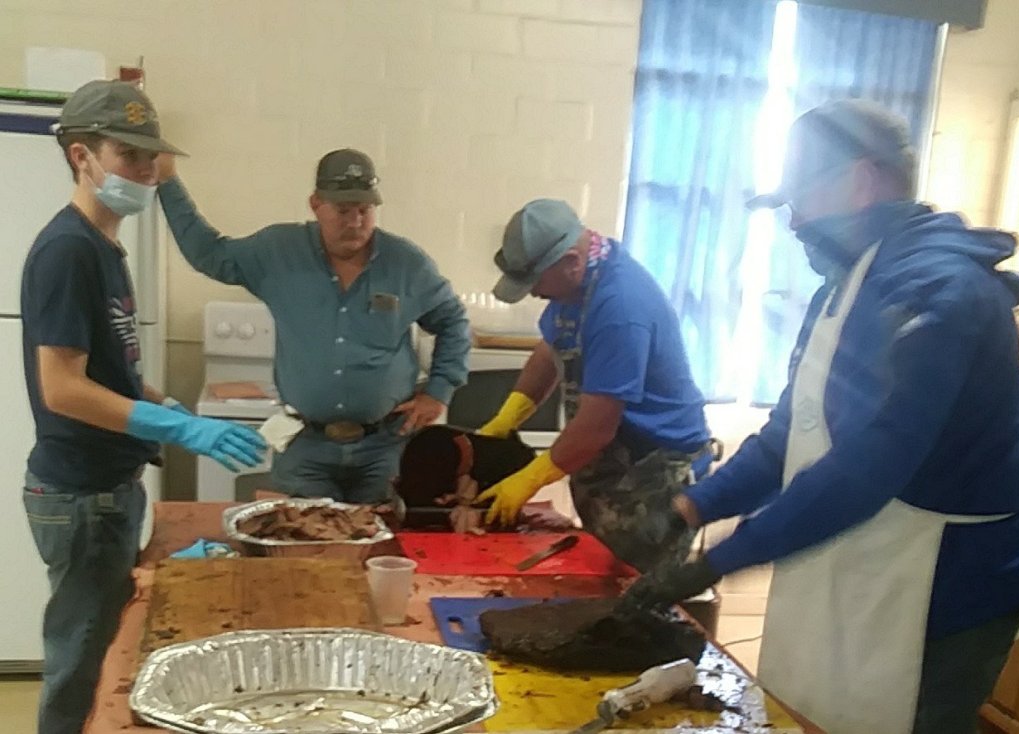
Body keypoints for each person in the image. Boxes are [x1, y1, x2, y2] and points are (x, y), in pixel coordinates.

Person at [619, 99, 1019, 734]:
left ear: (861, 181)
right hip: (871, 562)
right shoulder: (847, 287)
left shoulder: (937, 293)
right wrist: (691, 507)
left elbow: (870, 465)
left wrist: (718, 560)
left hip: (946, 584)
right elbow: (793, 433)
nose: (794, 222)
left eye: (799, 200)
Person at [21, 80, 266, 734]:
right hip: (80, 495)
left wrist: (177, 408)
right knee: (80, 664)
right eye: (128, 155)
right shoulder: (68, 249)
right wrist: (178, 428)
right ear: (82, 156)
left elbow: (116, 373)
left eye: (151, 155)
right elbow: (62, 387)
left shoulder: (106, 246)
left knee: (106, 645)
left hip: (109, 488)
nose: (147, 170)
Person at [156, 149, 470, 504]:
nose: (355, 222)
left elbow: (453, 322)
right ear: (316, 204)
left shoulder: (407, 264)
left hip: (387, 450)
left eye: (364, 210)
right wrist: (168, 180)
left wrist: (439, 391)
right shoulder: (276, 252)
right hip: (306, 450)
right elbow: (207, 254)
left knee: (384, 537)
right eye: (343, 210)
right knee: (303, 534)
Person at [475, 199, 715, 571]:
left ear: (571, 260)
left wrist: (529, 479)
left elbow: (596, 427)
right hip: (615, 458)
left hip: (656, 470)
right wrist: (507, 417)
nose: (533, 292)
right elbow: (550, 351)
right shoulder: (576, 284)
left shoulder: (621, 307)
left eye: (535, 282)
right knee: (595, 571)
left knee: (635, 585)